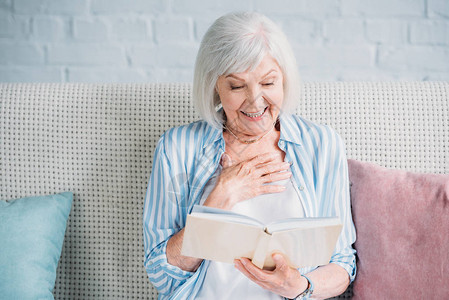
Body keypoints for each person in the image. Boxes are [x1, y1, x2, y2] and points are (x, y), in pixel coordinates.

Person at [143, 12, 356, 299]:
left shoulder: (321, 144)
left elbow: (342, 262)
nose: (255, 101)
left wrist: (300, 287)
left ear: (284, 79)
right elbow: (160, 272)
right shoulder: (177, 148)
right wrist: (220, 197)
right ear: (215, 86)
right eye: (237, 86)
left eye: (268, 83)